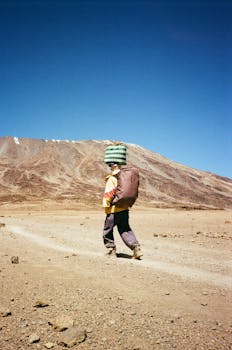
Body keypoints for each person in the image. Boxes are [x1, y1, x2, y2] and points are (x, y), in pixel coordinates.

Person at [102, 162, 143, 259]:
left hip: (113, 209)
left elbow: (109, 193)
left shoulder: (112, 178)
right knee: (125, 229)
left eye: (110, 165)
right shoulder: (126, 177)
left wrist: (106, 205)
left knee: (108, 230)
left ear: (112, 166)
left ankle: (111, 250)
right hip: (124, 209)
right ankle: (136, 248)